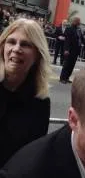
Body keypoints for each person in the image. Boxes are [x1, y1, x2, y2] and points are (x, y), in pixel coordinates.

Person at [0, 18, 51, 167]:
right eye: (11, 42)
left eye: (25, 44)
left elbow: (31, 158)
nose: (16, 49)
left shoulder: (40, 103)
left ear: (37, 55)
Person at [60, 17, 84, 84]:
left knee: (72, 65)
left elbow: (81, 39)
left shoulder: (78, 30)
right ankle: (62, 78)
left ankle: (67, 77)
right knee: (67, 64)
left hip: (76, 50)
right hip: (70, 50)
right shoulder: (69, 29)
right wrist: (66, 49)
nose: (80, 22)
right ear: (75, 21)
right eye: (79, 21)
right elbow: (67, 40)